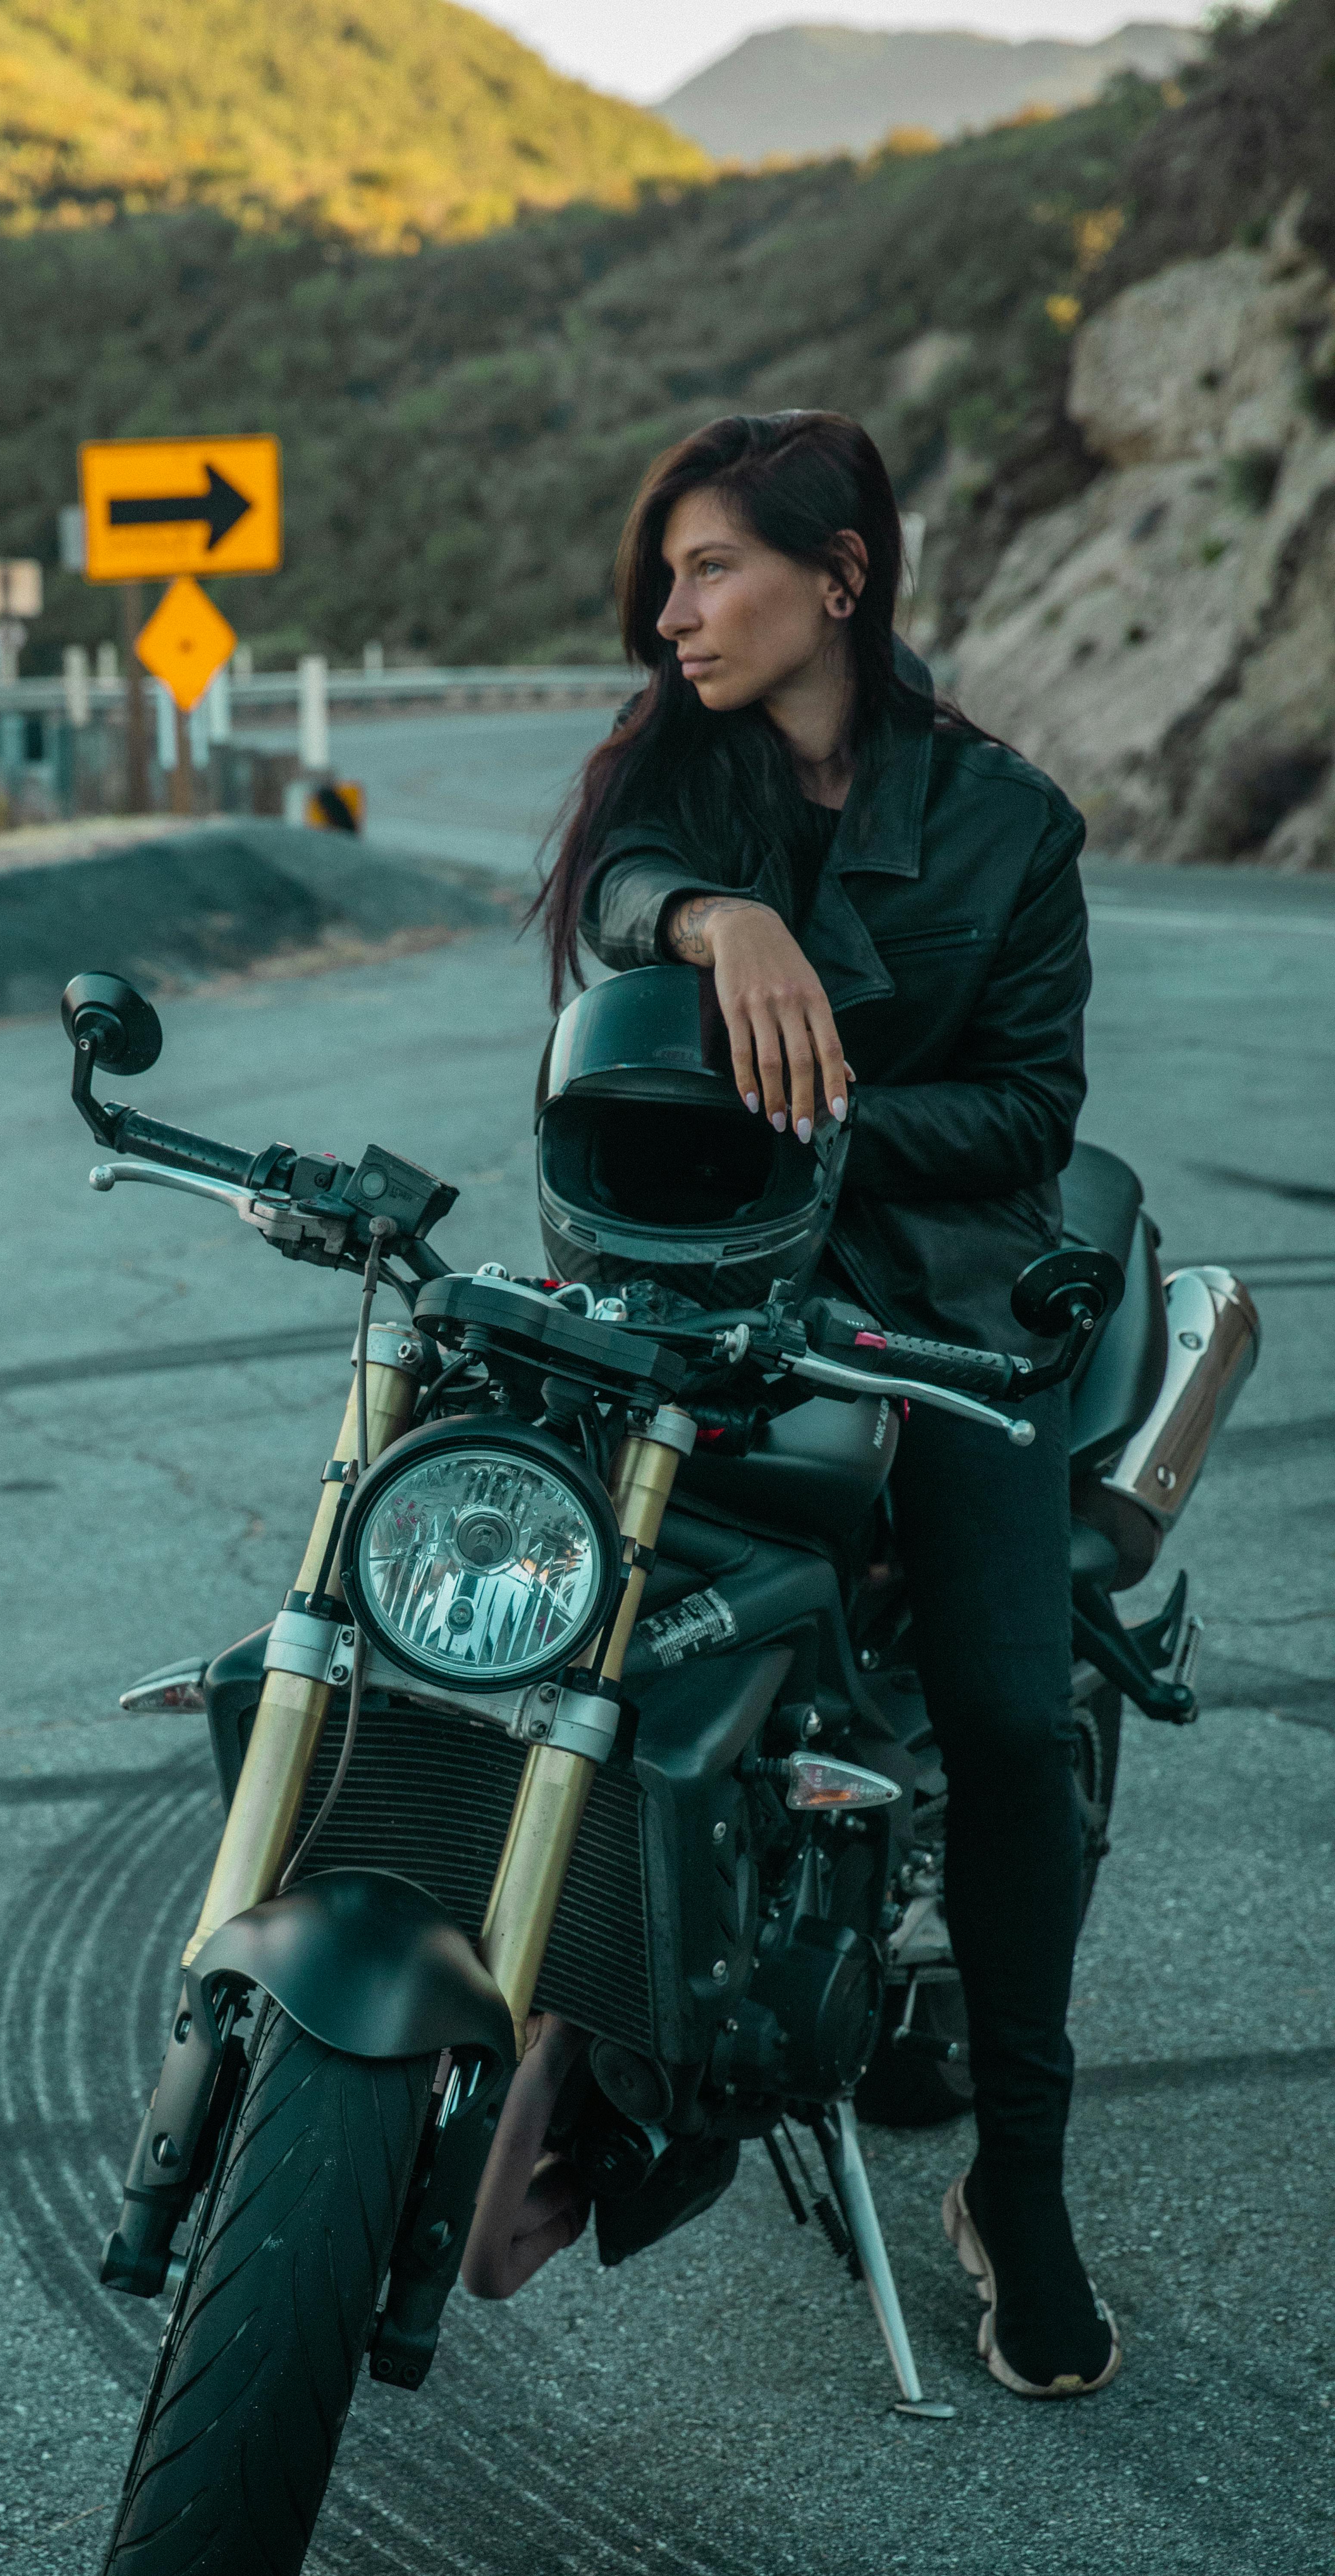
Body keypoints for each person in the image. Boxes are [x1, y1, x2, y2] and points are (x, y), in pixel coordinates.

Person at [534, 409, 1119, 2400]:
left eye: (710, 569)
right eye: (666, 574)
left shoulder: (1004, 823)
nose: (670, 611)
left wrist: (835, 1124)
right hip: (679, 1287)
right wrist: (722, 916)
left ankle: (1016, 2189)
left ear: (840, 579)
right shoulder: (667, 795)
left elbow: (1034, 1113)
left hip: (930, 1313)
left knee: (1014, 1725)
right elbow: (612, 907)